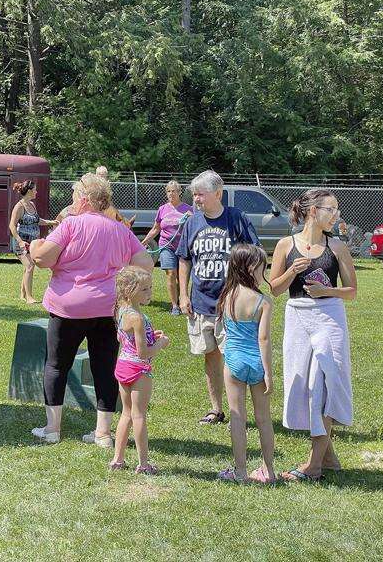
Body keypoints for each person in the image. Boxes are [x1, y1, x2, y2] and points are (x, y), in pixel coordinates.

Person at [29, 173, 153, 446]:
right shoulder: (121, 230)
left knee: (56, 364)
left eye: (74, 198)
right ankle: (103, 433)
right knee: (105, 366)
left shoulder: (70, 225)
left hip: (68, 307)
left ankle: (52, 429)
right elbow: (145, 264)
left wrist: (37, 245)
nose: (72, 203)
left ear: (83, 200)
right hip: (109, 308)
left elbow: (41, 259)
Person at [268, 189, 357, 482]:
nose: (336, 215)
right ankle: (328, 456)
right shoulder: (285, 245)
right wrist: (292, 270)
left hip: (330, 318)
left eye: (337, 210)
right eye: (330, 209)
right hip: (298, 318)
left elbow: (352, 291)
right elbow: (275, 289)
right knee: (306, 386)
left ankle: (313, 466)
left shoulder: (338, 247)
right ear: (312, 211)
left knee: (326, 382)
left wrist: (327, 290)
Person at [176, 170, 260, 426]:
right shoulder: (192, 222)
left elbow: (255, 255)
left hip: (231, 304)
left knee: (234, 355)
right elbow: (184, 259)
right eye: (195, 194)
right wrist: (182, 294)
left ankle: (238, 410)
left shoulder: (236, 218)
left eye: (201, 194)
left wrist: (247, 291)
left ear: (218, 194)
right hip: (201, 302)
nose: (196, 199)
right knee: (210, 354)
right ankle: (216, 409)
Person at [215, 244, 276, 484]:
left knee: (237, 416)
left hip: (234, 361)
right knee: (263, 418)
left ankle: (240, 472)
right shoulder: (263, 301)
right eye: (264, 267)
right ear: (251, 268)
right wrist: (269, 373)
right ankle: (268, 470)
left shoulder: (227, 296)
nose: (265, 272)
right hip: (257, 363)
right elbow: (263, 339)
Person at [108, 266, 168, 474]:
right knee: (139, 415)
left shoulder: (121, 309)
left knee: (126, 414)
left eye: (150, 288)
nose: (149, 293)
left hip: (122, 365)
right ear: (129, 290)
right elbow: (143, 353)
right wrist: (160, 344)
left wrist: (151, 335)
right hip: (138, 369)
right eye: (144, 289)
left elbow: (122, 339)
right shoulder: (138, 318)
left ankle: (117, 459)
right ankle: (143, 464)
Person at [140, 180, 193, 314]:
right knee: (170, 274)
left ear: (179, 192)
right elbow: (156, 228)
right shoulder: (162, 209)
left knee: (181, 277)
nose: (171, 194)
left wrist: (191, 218)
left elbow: (195, 226)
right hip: (166, 245)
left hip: (183, 247)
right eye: (168, 191)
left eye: (173, 191)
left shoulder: (188, 209)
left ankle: (182, 299)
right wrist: (144, 242)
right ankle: (174, 305)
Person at [8, 180, 56, 304]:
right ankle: (29, 297)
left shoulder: (32, 205)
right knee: (29, 265)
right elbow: (12, 226)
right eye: (34, 189)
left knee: (27, 267)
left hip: (33, 242)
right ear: (29, 191)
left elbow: (36, 220)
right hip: (22, 242)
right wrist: (20, 242)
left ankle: (23, 294)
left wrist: (50, 222)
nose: (36, 191)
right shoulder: (19, 206)